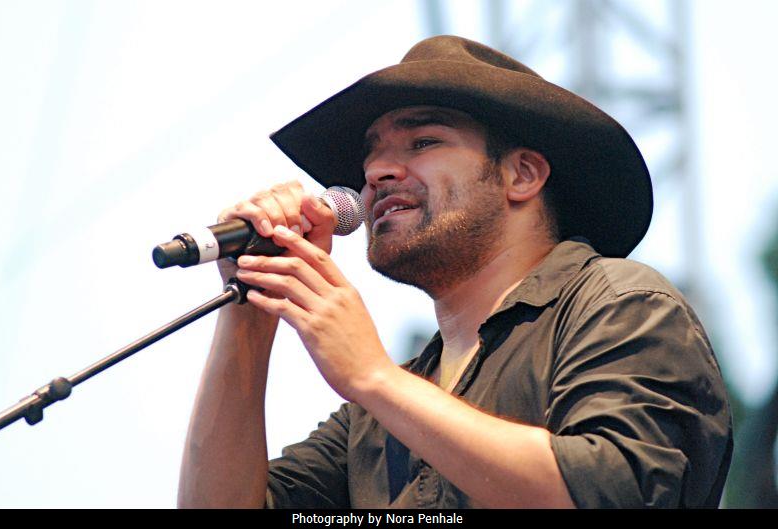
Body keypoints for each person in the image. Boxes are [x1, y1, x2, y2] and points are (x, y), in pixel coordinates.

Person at [177, 36, 733, 509]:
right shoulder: (378, 413)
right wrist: (250, 300)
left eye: (423, 142)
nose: (375, 172)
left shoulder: (621, 304)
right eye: (372, 156)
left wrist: (374, 377)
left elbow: (617, 492)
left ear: (522, 175)